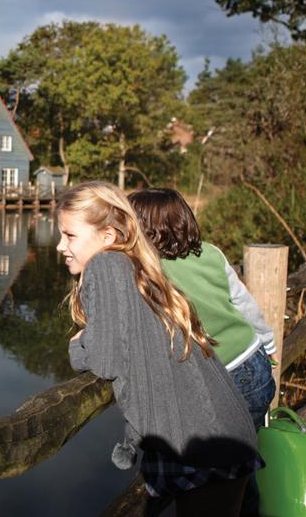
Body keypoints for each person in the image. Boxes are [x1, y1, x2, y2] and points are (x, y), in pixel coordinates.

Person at [59, 181, 261, 516]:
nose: (59, 246)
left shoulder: (105, 266)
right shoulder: (133, 264)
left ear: (107, 235)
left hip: (202, 440)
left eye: (70, 235)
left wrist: (78, 348)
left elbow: (105, 360)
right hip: (211, 430)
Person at [128, 188, 277, 429]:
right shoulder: (211, 252)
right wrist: (269, 343)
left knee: (211, 454)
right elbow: (245, 305)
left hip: (213, 377)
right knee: (247, 446)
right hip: (252, 361)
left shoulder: (145, 272)